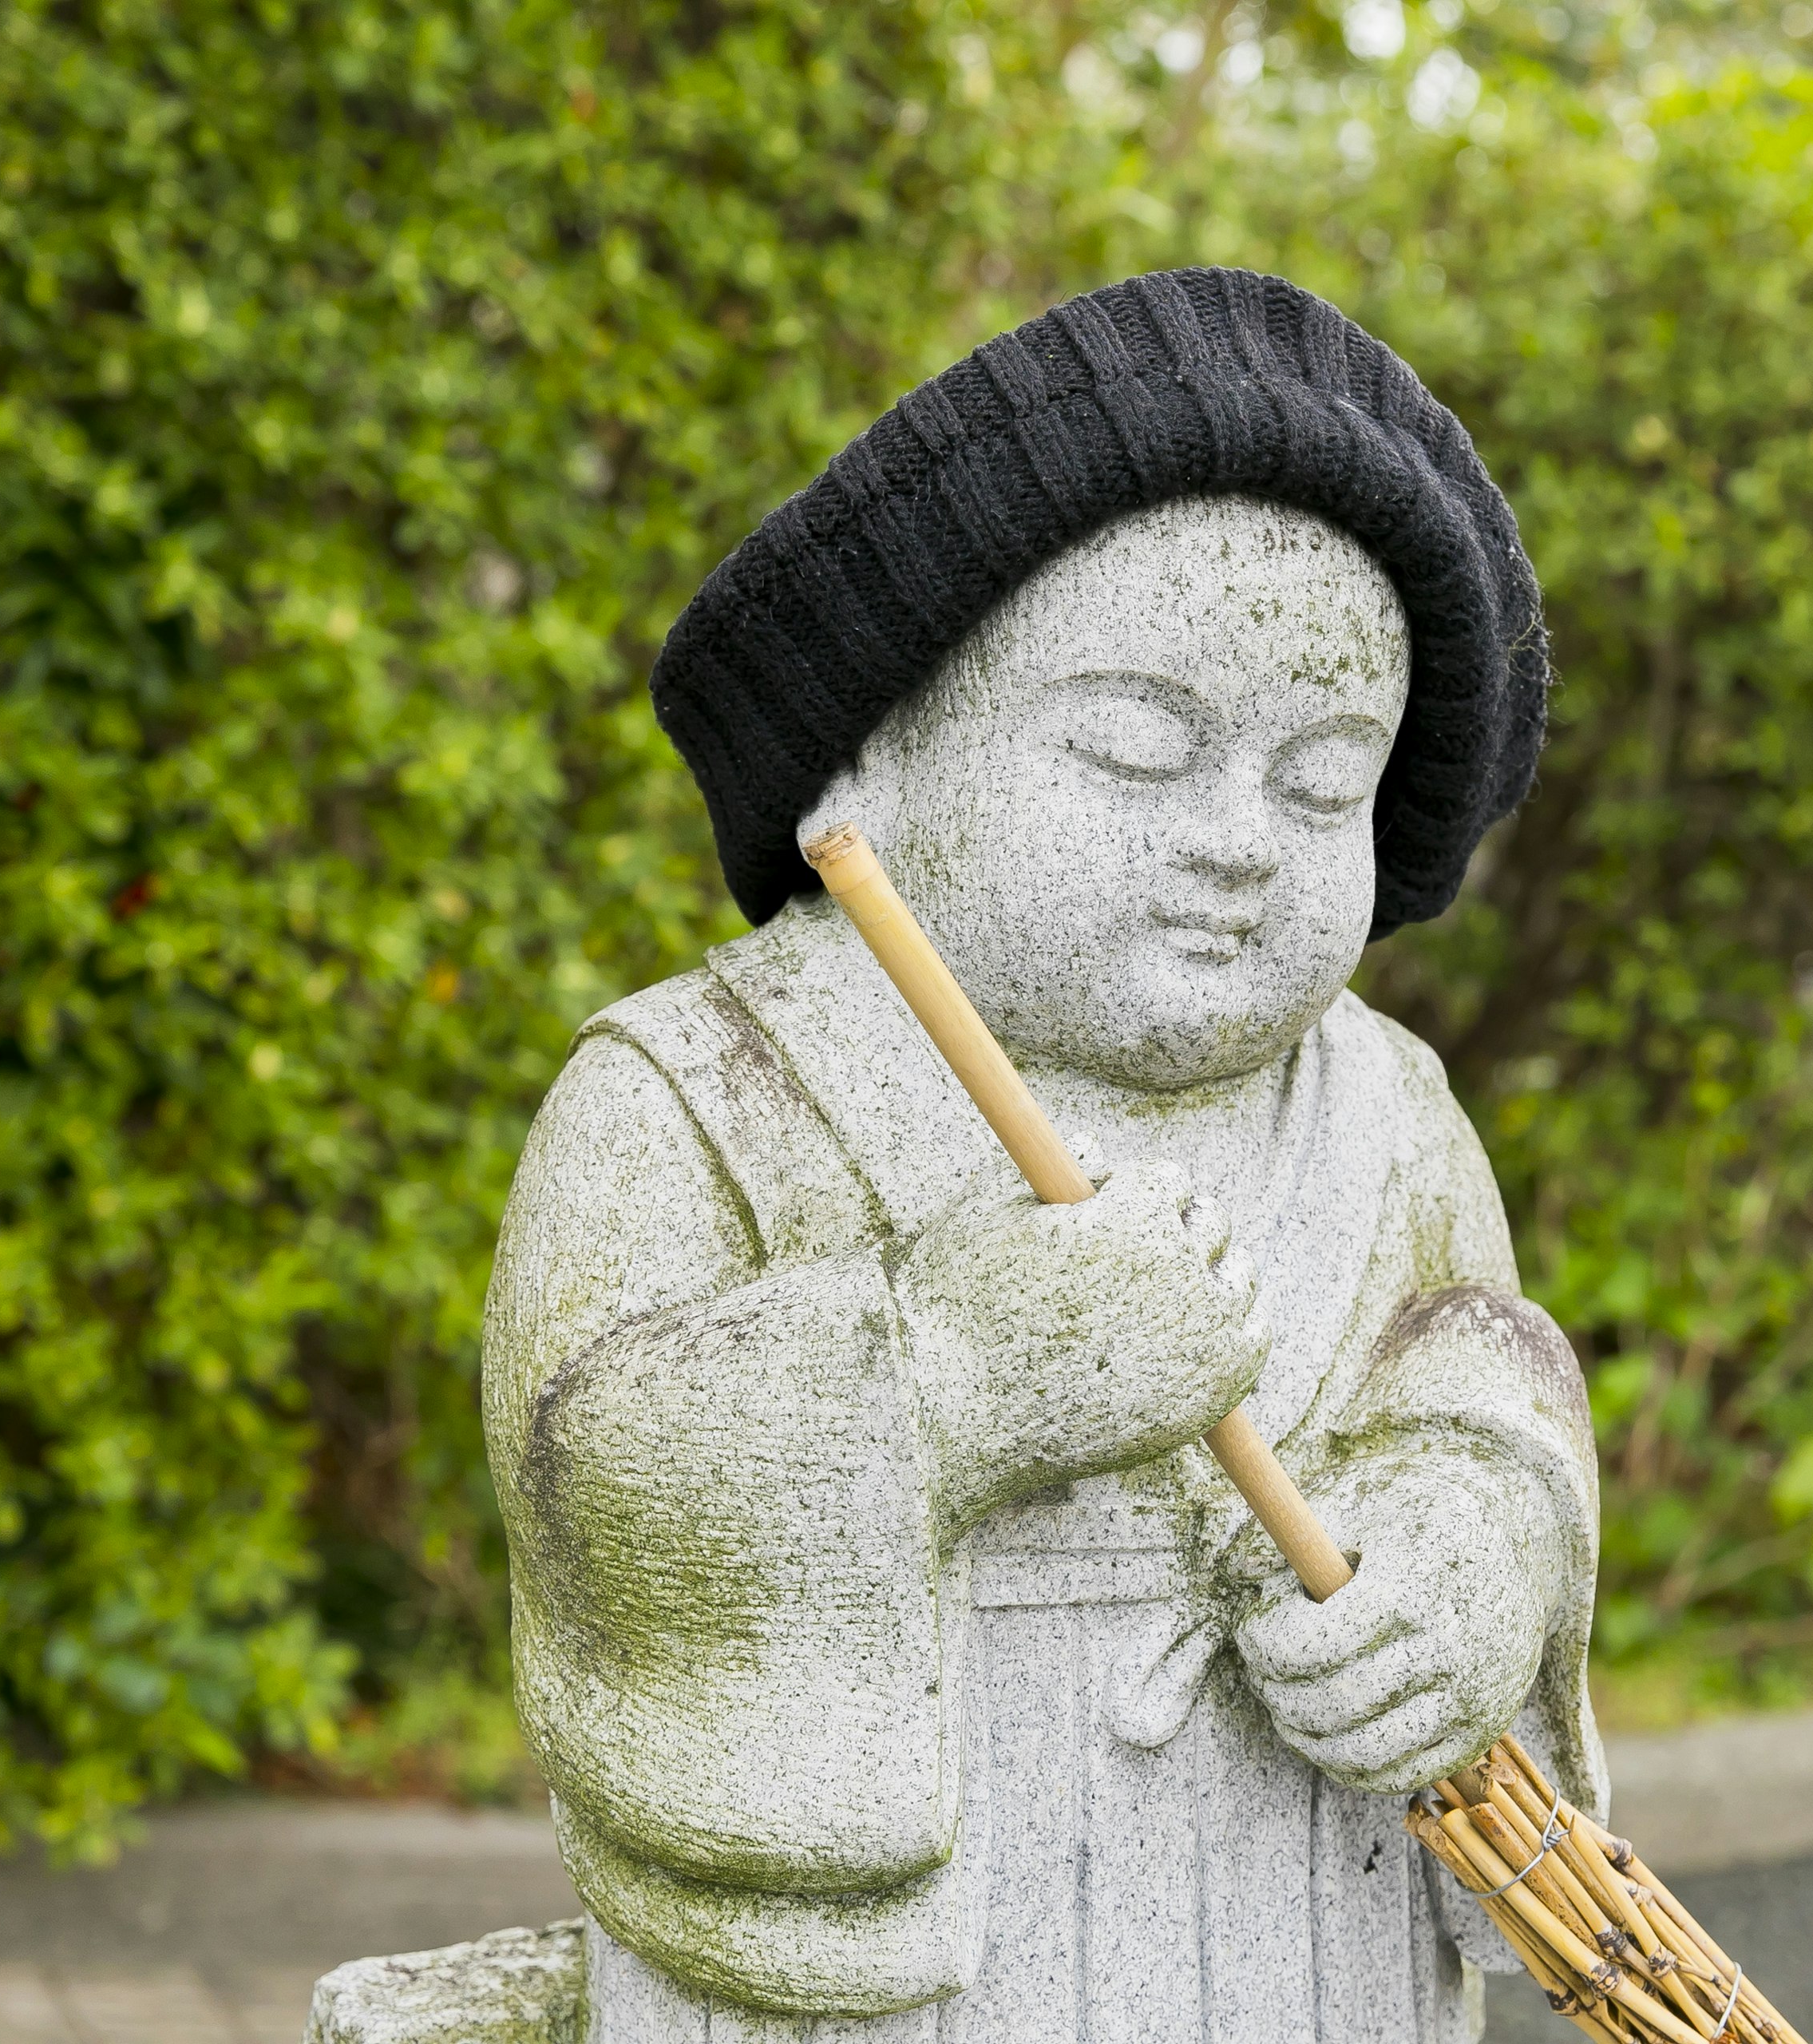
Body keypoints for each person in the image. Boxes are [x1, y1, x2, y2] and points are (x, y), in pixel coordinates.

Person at [481, 269, 1600, 2042]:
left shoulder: (1390, 1106)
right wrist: (943, 1370)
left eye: (1321, 786)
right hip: (897, 1957)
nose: (1239, 840)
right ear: (877, 755)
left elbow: (1479, 1360)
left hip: (1307, 1913)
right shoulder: (700, 1082)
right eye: (1136, 748)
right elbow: (583, 1465)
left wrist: (1473, 1541)